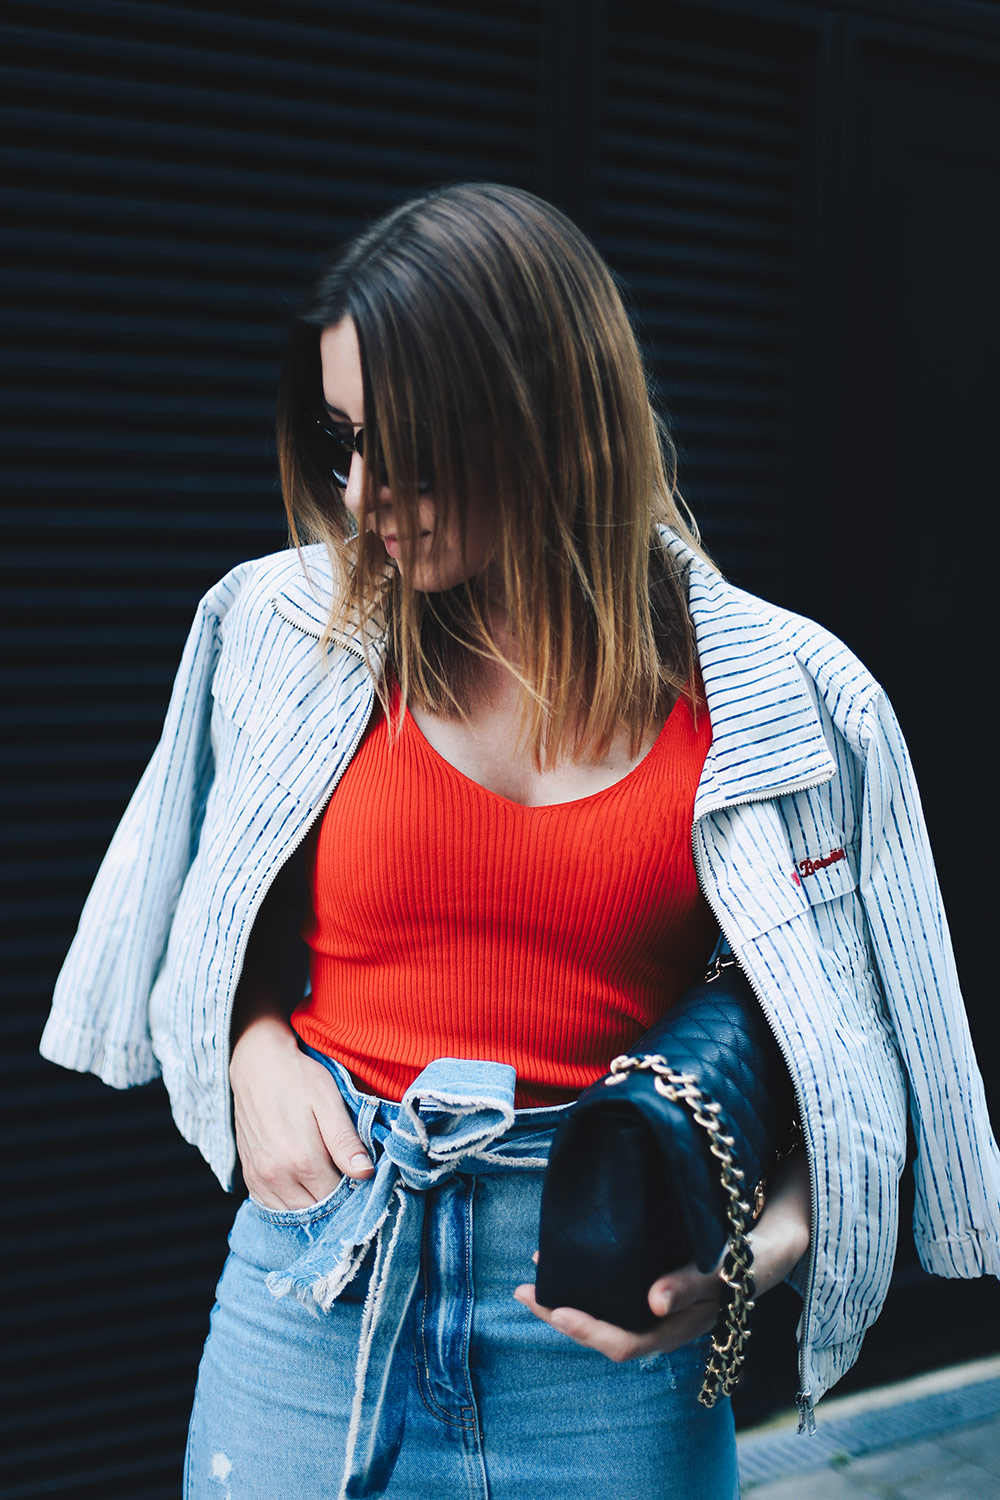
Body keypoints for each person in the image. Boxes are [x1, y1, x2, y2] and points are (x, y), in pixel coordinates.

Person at [41, 183, 1000, 1500]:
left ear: (558, 422)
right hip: (321, 1274)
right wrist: (255, 1044)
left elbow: (855, 1088)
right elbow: (190, 932)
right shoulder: (275, 630)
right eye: (339, 442)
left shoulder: (794, 699)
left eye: (415, 450)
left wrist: (741, 1266)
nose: (364, 496)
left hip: (604, 1329)